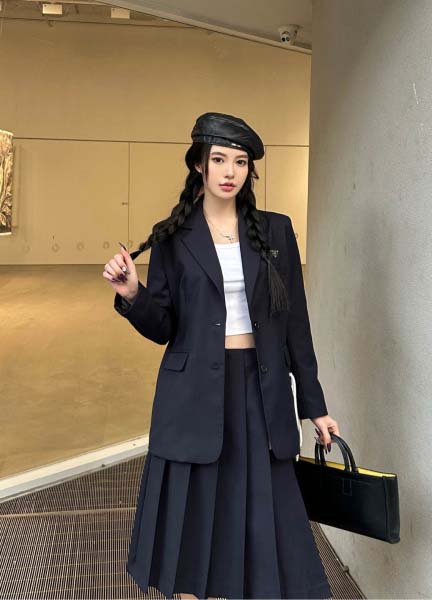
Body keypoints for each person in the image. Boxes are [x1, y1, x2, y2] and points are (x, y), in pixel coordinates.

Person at [103, 112, 340, 599]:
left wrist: (314, 406)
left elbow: (296, 327)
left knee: (262, 518)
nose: (230, 171)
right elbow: (164, 327)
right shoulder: (172, 236)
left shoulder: (276, 231)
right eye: (219, 160)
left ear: (249, 170)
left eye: (240, 162)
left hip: (260, 390)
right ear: (199, 165)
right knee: (195, 523)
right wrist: (133, 294)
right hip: (193, 394)